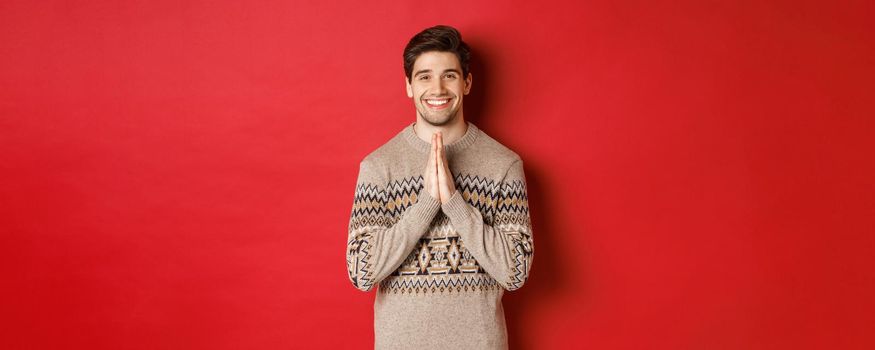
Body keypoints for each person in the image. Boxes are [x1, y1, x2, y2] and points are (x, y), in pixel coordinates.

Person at [346, 24, 534, 349]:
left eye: (449, 75)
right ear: (408, 86)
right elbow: (361, 272)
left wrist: (455, 204)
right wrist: (426, 205)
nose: (438, 88)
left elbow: (515, 272)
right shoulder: (378, 167)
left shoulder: (504, 165)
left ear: (467, 82)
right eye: (424, 77)